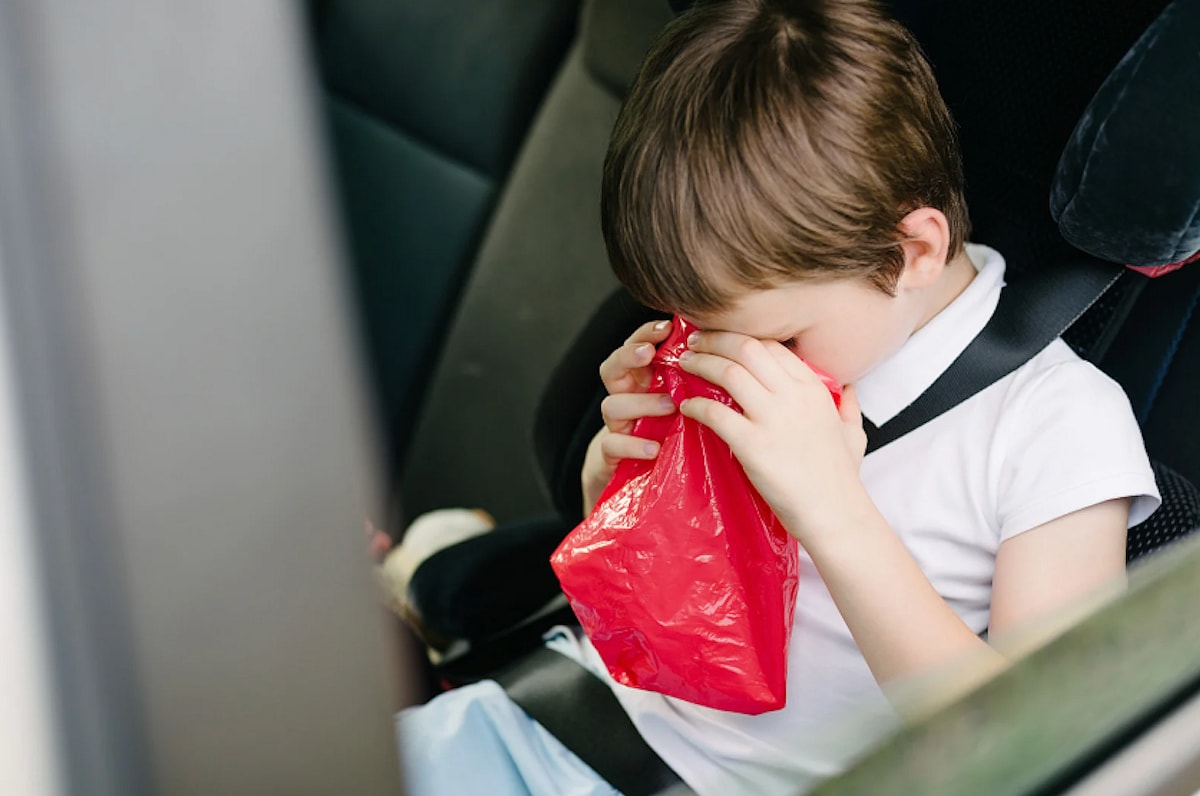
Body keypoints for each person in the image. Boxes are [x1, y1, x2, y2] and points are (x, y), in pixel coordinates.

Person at [395, 1, 1160, 794]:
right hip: (551, 722)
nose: (728, 358)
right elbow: (656, 619)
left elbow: (1044, 739)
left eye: (781, 338)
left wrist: (834, 513)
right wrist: (618, 493)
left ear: (914, 252)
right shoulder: (774, 304)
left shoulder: (1055, 428)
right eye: (694, 328)